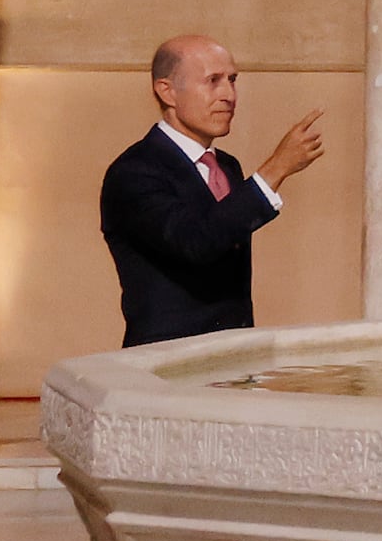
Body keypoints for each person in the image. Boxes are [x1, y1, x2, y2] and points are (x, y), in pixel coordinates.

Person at [103, 35, 325, 346]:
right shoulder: (134, 172)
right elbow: (195, 241)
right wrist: (276, 169)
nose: (228, 95)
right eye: (213, 81)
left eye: (232, 80)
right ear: (167, 91)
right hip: (168, 370)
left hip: (233, 363)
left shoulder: (227, 167)